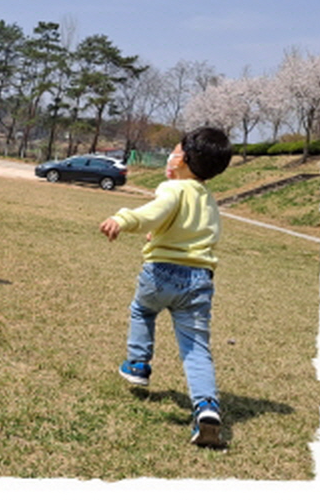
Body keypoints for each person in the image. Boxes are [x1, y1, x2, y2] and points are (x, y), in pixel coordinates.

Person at [99, 126, 232, 448]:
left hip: (161, 275)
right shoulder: (209, 201)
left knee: (143, 310)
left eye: (174, 150)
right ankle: (206, 409)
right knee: (196, 348)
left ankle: (138, 364)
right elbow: (191, 233)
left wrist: (123, 219)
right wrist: (157, 236)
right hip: (199, 281)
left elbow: (152, 214)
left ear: (183, 159)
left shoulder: (174, 189)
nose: (170, 156)